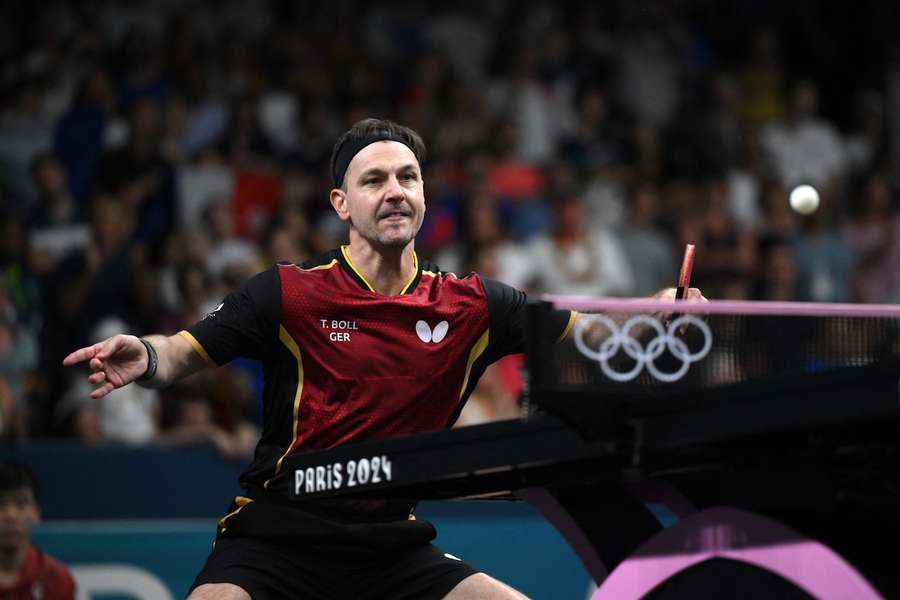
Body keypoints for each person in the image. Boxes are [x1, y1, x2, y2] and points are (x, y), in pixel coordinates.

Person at [64, 118, 703, 599]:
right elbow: (184, 353)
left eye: (408, 178)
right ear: (342, 203)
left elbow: (588, 337)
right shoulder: (289, 292)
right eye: (374, 181)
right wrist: (143, 355)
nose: (394, 192)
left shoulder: (473, 305)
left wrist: (654, 315)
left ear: (424, 195)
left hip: (391, 546)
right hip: (277, 537)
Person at [0, 460, 76, 600]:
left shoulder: (57, 580)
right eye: (0, 504)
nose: (10, 514)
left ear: (36, 512)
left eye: (20, 503)